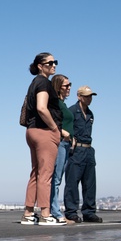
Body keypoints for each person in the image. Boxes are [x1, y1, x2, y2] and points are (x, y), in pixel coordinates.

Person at [22, 52, 63, 225]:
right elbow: (41, 107)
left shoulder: (34, 83)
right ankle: (46, 214)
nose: (54, 65)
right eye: (50, 63)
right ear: (40, 65)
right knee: (46, 174)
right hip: (44, 132)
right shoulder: (44, 82)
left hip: (32, 131)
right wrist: (55, 128)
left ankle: (28, 213)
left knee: (36, 173)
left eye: (56, 62)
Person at [64, 86, 101, 223]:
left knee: (90, 183)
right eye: (86, 96)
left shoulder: (90, 114)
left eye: (90, 96)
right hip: (76, 150)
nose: (89, 98)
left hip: (89, 150)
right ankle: (71, 211)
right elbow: (64, 128)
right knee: (72, 183)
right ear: (79, 96)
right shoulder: (72, 111)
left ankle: (89, 212)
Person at [49, 75, 74, 221]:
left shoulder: (63, 104)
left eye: (70, 84)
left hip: (66, 143)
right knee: (56, 179)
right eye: (66, 85)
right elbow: (51, 120)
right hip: (59, 142)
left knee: (58, 178)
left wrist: (72, 137)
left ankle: (55, 211)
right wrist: (61, 131)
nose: (69, 87)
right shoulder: (56, 103)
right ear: (58, 87)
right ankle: (55, 212)